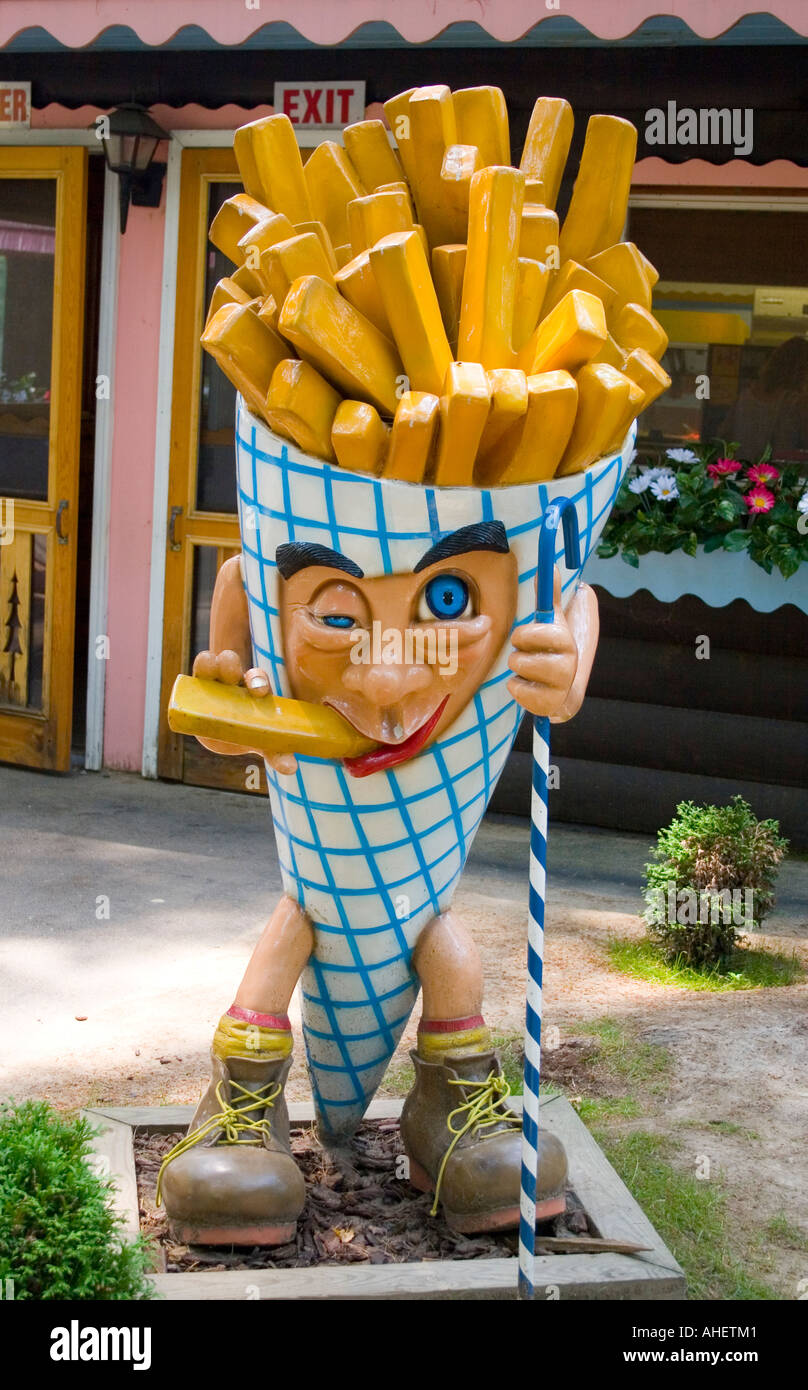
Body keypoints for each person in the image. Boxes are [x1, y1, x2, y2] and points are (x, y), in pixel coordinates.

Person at [721, 335, 808, 460]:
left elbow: (724, 436)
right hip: (777, 474)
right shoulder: (796, 403)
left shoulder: (745, 398)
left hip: (739, 473)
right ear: (802, 370)